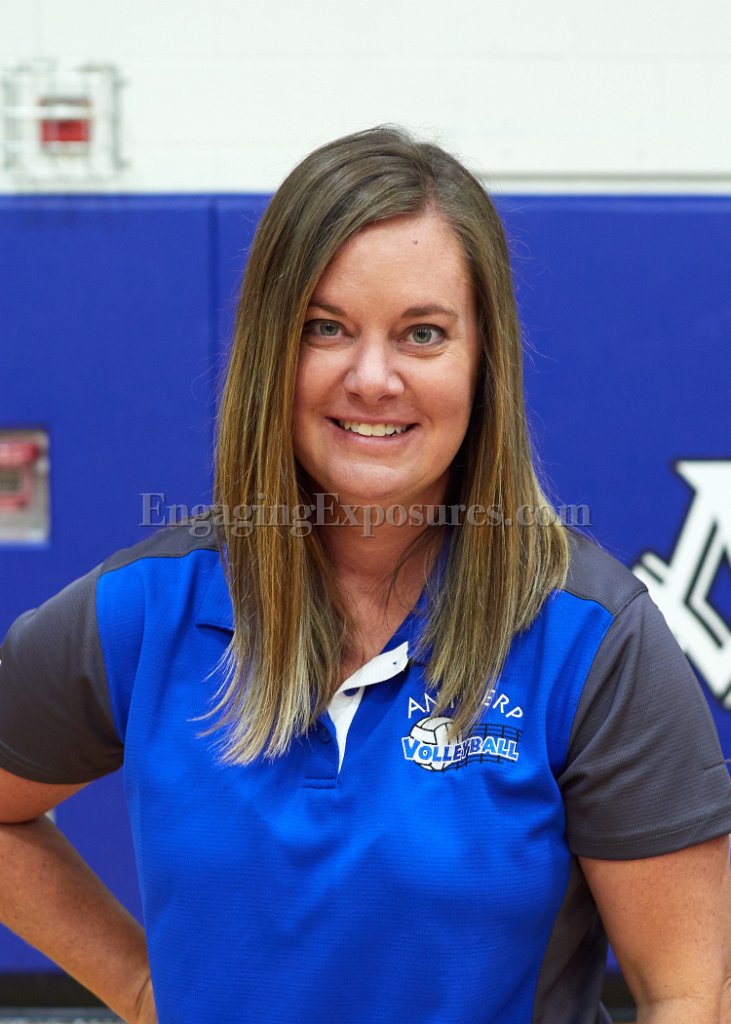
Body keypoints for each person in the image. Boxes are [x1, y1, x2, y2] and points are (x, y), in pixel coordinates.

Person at [0, 126, 729, 1024]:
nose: (372, 378)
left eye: (422, 334)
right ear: (270, 352)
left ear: (483, 360)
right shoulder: (148, 609)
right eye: (326, 328)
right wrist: (139, 987)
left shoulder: (589, 639)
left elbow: (688, 994)